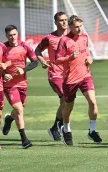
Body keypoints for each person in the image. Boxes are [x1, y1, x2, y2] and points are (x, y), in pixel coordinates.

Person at [56, 15, 102, 146]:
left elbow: (87, 51)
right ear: (70, 27)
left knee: (93, 102)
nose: (79, 29)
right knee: (68, 107)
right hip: (70, 79)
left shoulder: (84, 37)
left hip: (85, 75)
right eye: (76, 27)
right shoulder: (64, 40)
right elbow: (57, 60)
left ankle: (92, 131)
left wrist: (90, 58)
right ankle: (66, 129)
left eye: (81, 26)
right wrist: (69, 58)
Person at [1, 25, 38, 149]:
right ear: (6, 36)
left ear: (18, 34)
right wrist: (4, 74)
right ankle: (24, 139)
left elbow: (35, 62)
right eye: (10, 35)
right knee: (19, 110)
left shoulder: (25, 46)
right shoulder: (2, 48)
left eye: (14, 34)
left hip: (22, 84)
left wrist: (24, 69)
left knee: (19, 109)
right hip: (9, 85)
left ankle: (9, 119)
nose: (13, 37)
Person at [35, 11, 68, 141]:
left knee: (65, 102)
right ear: (55, 22)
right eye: (61, 20)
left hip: (69, 75)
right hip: (55, 74)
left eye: (66, 19)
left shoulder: (72, 37)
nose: (64, 22)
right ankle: (62, 128)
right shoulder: (49, 38)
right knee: (65, 98)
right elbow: (37, 50)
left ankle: (55, 127)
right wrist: (43, 61)